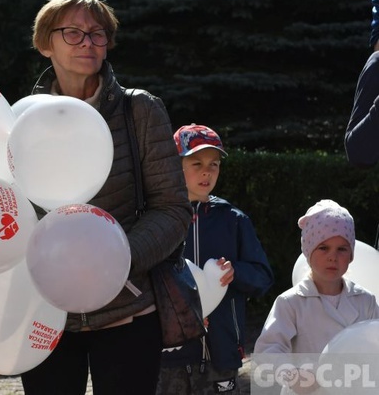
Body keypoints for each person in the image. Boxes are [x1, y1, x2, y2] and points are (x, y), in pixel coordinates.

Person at [18, 0, 192, 395]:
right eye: (73, 33)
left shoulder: (140, 111)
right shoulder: (23, 118)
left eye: (98, 34)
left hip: (128, 310)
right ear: (46, 44)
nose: (88, 43)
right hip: (47, 315)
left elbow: (173, 208)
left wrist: (117, 261)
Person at [157, 124, 274, 395]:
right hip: (168, 353)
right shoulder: (160, 220)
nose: (207, 171)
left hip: (221, 352)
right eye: (196, 163)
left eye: (214, 164)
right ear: (176, 167)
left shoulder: (234, 220)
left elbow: (263, 277)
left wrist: (237, 272)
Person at [254, 200, 379, 393]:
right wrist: (291, 374)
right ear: (308, 251)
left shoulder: (366, 300)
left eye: (342, 249)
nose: (332, 257)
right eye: (323, 248)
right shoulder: (291, 302)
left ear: (352, 255)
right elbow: (268, 351)